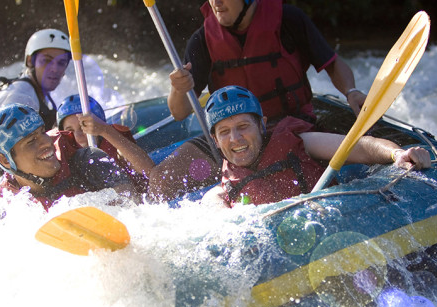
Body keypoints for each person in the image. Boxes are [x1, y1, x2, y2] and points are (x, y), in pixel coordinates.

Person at [149, 0, 368, 201]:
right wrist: (178, 89)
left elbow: (332, 63)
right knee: (161, 180)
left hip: (290, 127)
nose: (216, 3)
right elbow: (179, 112)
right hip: (233, 133)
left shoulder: (288, 20)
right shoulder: (202, 39)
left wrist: (351, 91)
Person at [199, 86, 431, 207]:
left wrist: (397, 153)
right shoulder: (220, 193)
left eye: (243, 126)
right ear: (216, 140)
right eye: (225, 132)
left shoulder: (300, 143)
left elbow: (359, 147)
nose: (235, 138)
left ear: (262, 125)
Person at [0, 28, 72, 201]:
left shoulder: (36, 91)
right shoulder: (22, 95)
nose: (54, 69)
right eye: (47, 61)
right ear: (30, 60)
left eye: (61, 63)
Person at [0, 103, 138, 210]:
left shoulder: (87, 160)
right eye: (31, 141)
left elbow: (130, 199)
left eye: (42, 132)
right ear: (5, 161)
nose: (46, 142)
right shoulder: (6, 200)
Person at [56, 94, 154, 193]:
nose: (78, 136)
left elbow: (150, 172)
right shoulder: (63, 159)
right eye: (70, 131)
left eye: (83, 127)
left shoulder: (117, 146)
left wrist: (104, 130)